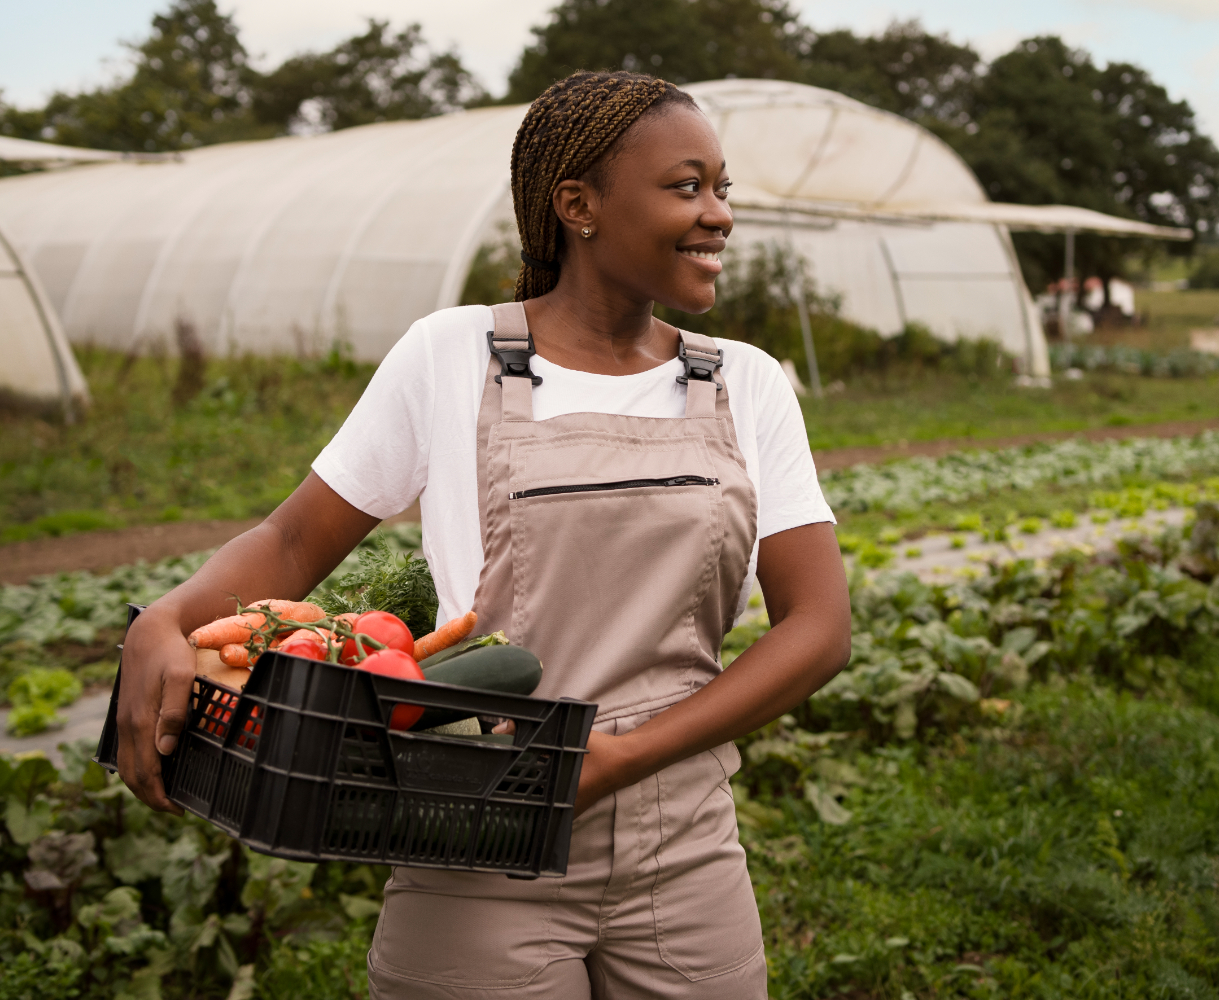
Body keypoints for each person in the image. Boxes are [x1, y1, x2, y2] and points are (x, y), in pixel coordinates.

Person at [116, 70, 851, 998]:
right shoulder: (451, 354)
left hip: (685, 842)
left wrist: (616, 759)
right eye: (685, 186)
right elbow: (297, 542)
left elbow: (819, 626)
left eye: (722, 188)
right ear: (578, 204)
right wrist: (165, 620)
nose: (719, 216)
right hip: (474, 824)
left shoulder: (745, 383)